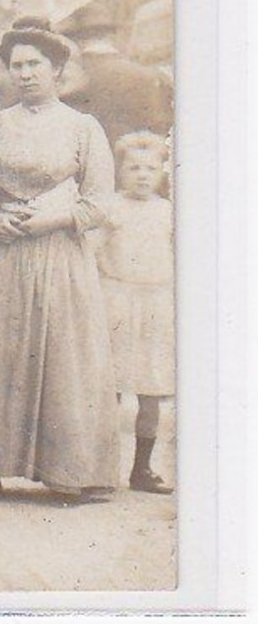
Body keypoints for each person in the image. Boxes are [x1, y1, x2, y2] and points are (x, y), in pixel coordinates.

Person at [0, 17, 119, 507]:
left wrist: (52, 220)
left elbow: (100, 201)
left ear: (56, 69)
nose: (25, 74)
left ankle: (68, 471)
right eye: (16, 66)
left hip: (58, 254)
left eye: (34, 64)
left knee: (61, 355)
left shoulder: (83, 127)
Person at [95, 132, 175, 495]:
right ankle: (99, 466)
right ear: (120, 172)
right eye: (133, 168)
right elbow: (93, 253)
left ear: (162, 172)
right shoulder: (111, 208)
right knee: (108, 385)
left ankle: (141, 468)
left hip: (155, 302)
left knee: (151, 387)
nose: (142, 175)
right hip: (116, 299)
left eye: (150, 168)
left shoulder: (169, 211)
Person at [60, 10, 174, 144]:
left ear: (78, 40)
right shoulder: (146, 74)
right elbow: (161, 126)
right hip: (136, 157)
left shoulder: (67, 78)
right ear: (113, 36)